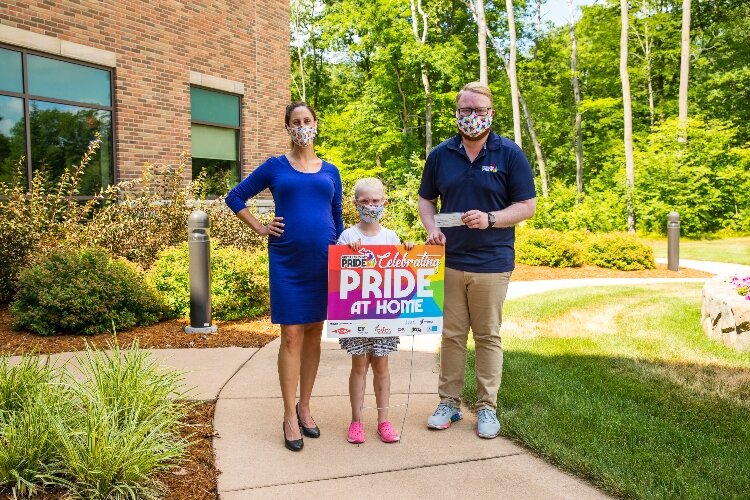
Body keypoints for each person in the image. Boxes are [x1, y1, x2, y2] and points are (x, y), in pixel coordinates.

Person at [417, 82, 536, 439]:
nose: (472, 117)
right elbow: (427, 201)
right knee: (452, 336)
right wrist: (431, 228)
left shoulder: (510, 153)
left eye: (479, 111)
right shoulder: (441, 154)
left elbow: (527, 206)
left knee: (487, 336)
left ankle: (486, 408)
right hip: (450, 259)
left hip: (492, 262)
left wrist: (491, 219)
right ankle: (449, 404)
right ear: (456, 113)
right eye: (465, 111)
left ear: (491, 114)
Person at [225, 102, 344, 452]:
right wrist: (261, 227)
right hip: (288, 260)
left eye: (307, 120)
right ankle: (288, 415)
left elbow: (336, 215)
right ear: (288, 128)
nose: (302, 126)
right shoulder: (275, 167)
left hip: (323, 262)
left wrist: (339, 250)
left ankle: (305, 407)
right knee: (291, 335)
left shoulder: (331, 171)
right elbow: (235, 197)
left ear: (316, 125)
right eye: (296, 122)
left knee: (314, 334)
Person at [337, 177, 414, 444]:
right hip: (356, 315)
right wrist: (347, 251)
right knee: (359, 366)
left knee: (381, 365)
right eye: (365, 201)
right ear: (356, 203)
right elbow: (336, 271)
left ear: (385, 203)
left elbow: (403, 272)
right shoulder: (348, 235)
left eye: (376, 201)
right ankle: (356, 421)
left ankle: (384, 421)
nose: (371, 206)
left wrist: (410, 252)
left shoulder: (390, 237)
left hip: (385, 315)